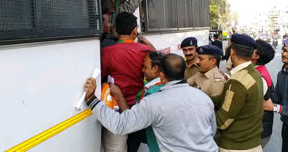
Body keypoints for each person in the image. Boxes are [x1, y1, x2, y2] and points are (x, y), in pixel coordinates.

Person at [85, 54, 218, 152]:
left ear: (161, 75)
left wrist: (92, 99)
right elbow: (211, 131)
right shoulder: (204, 98)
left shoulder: (154, 102)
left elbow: (120, 125)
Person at [101, 12, 152, 152]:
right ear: (134, 30)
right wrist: (149, 45)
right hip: (138, 109)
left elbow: (102, 77)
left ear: (115, 29)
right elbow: (161, 65)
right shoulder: (145, 50)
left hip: (116, 110)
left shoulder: (107, 52)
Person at [211, 34, 263, 152]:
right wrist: (203, 99)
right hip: (251, 143)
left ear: (232, 52)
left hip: (236, 146)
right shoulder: (254, 73)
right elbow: (225, 98)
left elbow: (223, 122)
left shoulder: (237, 81)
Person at [109, 51, 164, 152]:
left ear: (155, 69)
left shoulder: (152, 92)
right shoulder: (161, 85)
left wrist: (118, 95)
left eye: (145, 67)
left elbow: (131, 121)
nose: (142, 70)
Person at [251, 39, 275, 148]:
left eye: (250, 48)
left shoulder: (259, 77)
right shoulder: (255, 70)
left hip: (257, 133)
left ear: (256, 55)